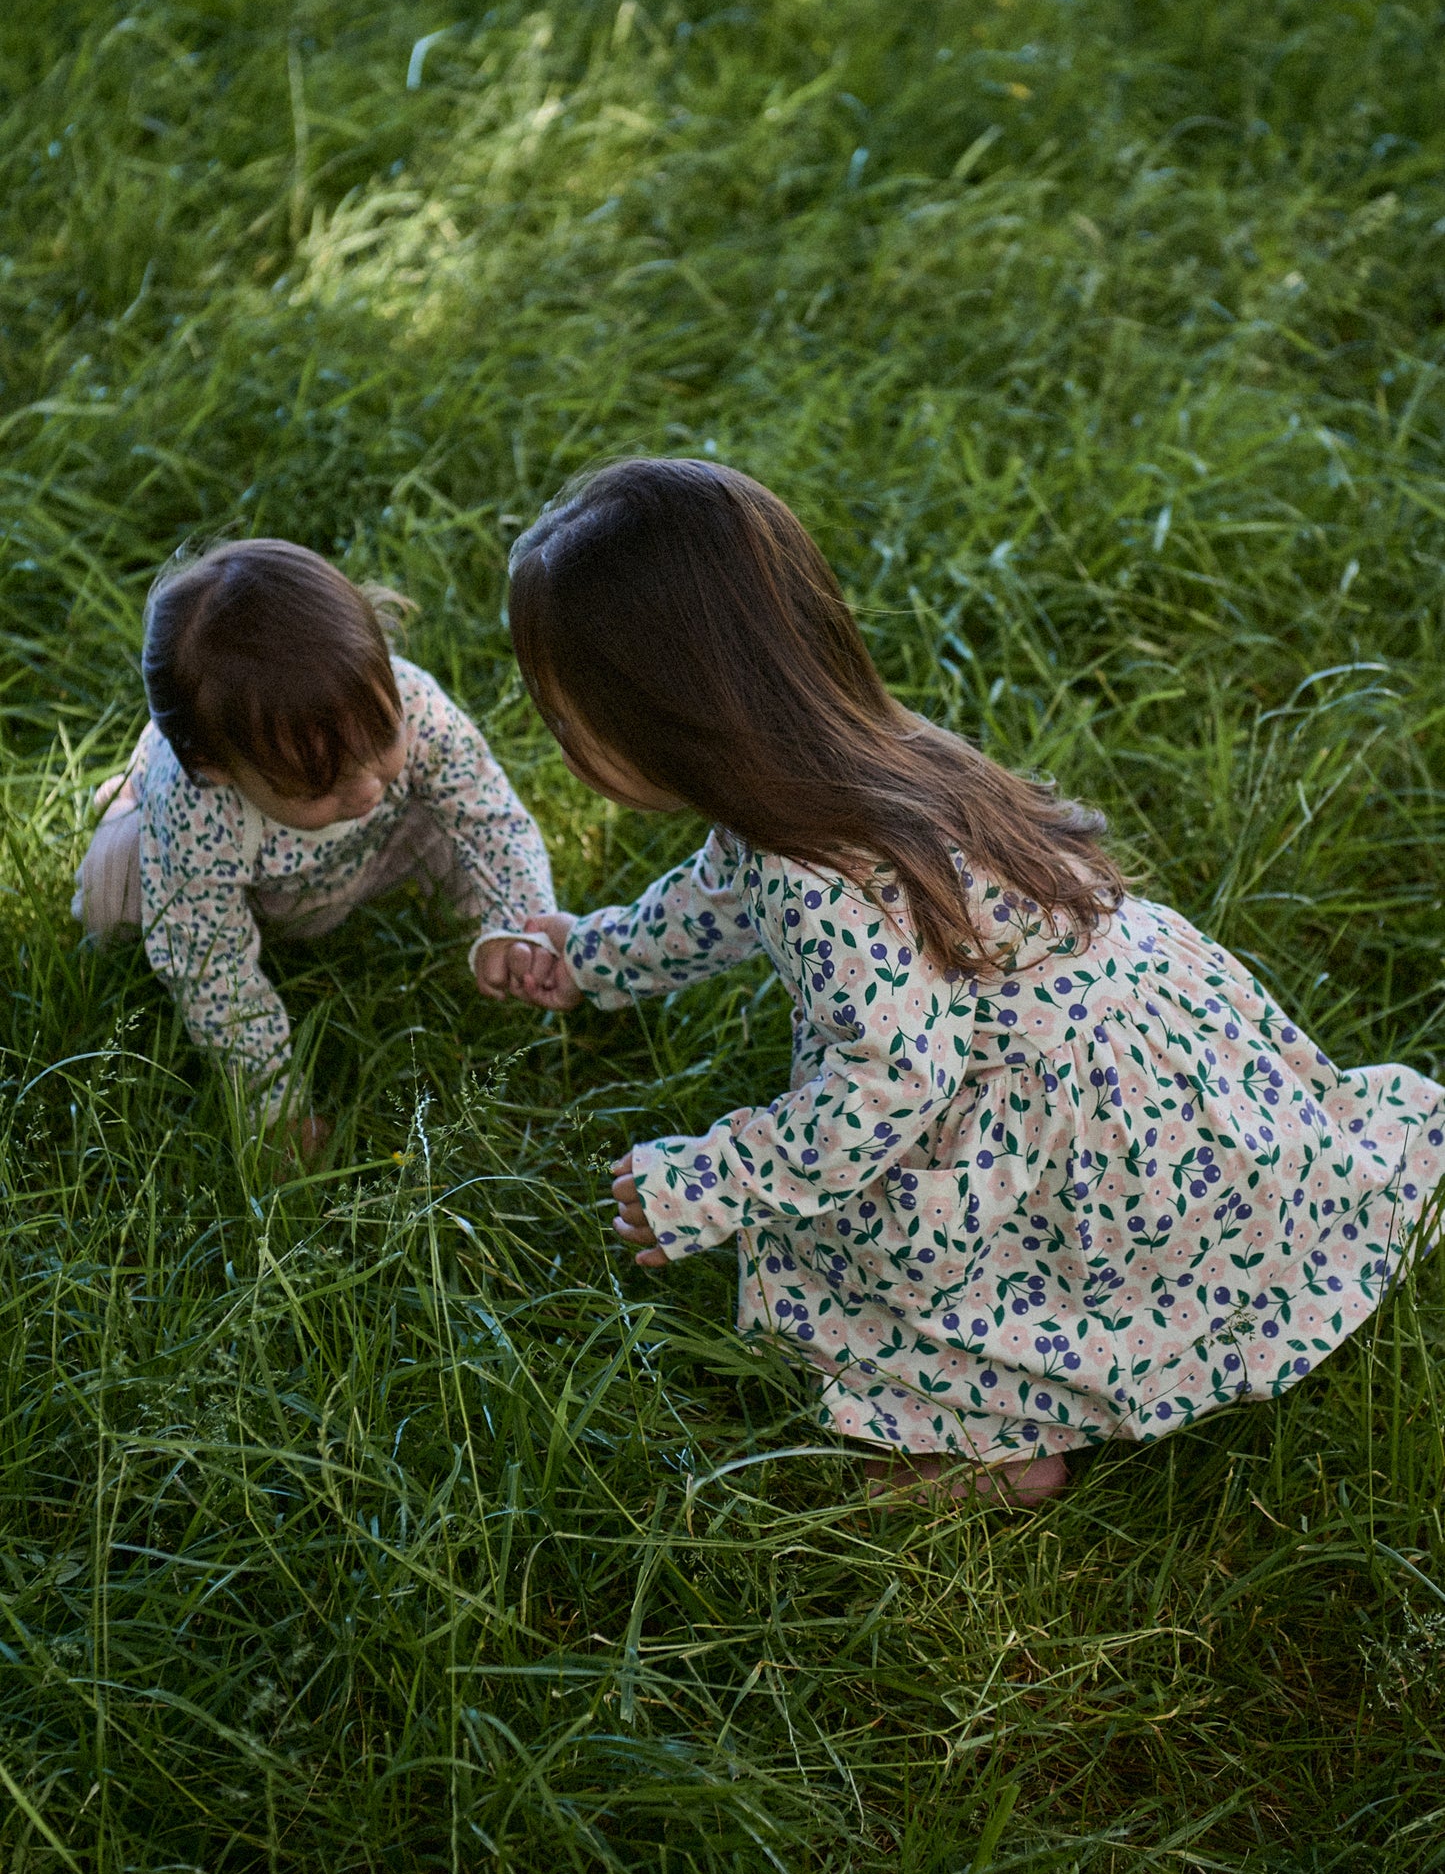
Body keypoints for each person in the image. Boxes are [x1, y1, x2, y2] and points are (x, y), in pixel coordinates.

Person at [494, 457, 1444, 1507]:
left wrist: (715, 1176)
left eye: (565, 717)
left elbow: (888, 1087)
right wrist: (588, 955)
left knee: (895, 1274)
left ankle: (990, 1437)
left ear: (664, 715)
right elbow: (713, 903)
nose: (564, 742)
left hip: (1072, 1129)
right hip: (1155, 1050)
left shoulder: (811, 876)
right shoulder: (858, 754)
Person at [75, 538, 554, 1150]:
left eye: (383, 739)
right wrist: (274, 1110)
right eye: (318, 783)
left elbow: (492, 822)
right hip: (244, 885)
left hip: (370, 854)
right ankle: (126, 804)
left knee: (451, 823)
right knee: (114, 904)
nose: (365, 787)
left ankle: (494, 950)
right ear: (217, 767)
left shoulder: (413, 707)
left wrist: (522, 925)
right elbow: (209, 971)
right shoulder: (200, 808)